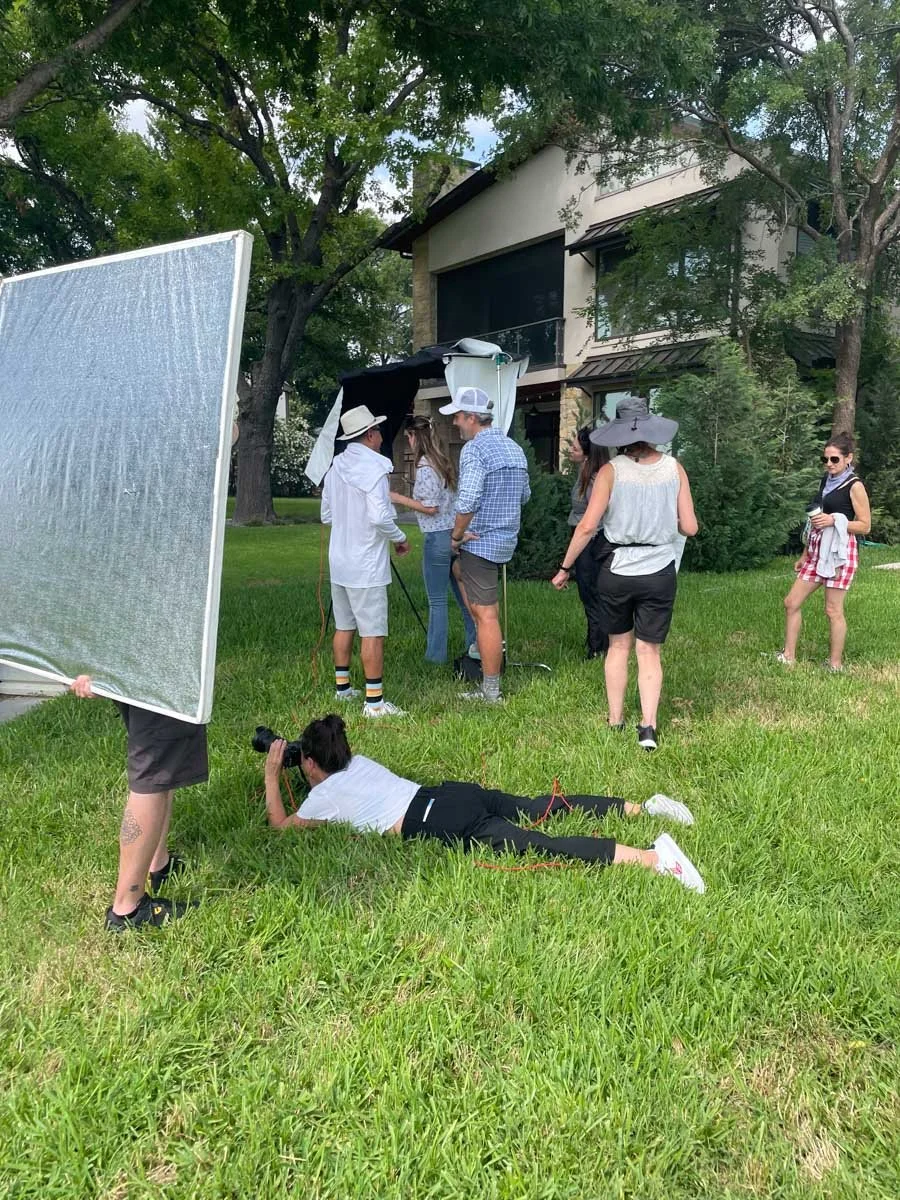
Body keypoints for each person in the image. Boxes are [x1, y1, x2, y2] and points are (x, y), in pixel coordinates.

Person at [262, 714, 705, 892]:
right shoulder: (358, 763)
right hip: (450, 793)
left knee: (538, 844)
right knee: (542, 806)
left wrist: (271, 773)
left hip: (433, 819)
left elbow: (281, 827)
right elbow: (333, 779)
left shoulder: (323, 797)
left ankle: (653, 858)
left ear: (312, 763)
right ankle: (643, 808)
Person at [551, 397, 698, 752]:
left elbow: (587, 527)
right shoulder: (674, 468)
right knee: (650, 652)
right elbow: (690, 527)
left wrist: (565, 568)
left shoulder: (610, 471)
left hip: (616, 569)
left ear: (619, 434)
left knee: (618, 646)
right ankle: (648, 727)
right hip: (659, 570)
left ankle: (615, 720)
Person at [70, 675, 205, 931]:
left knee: (164, 763)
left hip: (147, 664)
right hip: (157, 668)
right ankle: (128, 908)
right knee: (152, 770)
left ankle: (159, 864)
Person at [438, 386, 531, 704]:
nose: (455, 424)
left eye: (459, 418)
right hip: (505, 539)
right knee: (462, 577)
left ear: (472, 417)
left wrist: (456, 536)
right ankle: (482, 651)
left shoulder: (475, 450)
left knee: (486, 616)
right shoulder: (513, 449)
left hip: (481, 542)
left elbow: (468, 500)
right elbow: (525, 496)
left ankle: (490, 691)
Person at [321, 404, 411, 717]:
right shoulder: (375, 467)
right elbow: (380, 515)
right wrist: (399, 538)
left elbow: (326, 514)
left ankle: (343, 689)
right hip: (366, 562)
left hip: (339, 559)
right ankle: (374, 703)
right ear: (370, 435)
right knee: (372, 630)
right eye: (378, 431)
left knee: (344, 625)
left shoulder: (335, 468)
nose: (381, 436)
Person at [777, 434, 871, 671]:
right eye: (825, 459)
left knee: (833, 610)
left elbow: (865, 525)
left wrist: (835, 520)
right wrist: (804, 553)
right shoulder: (825, 481)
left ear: (848, 458)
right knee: (791, 602)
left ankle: (835, 664)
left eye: (834, 459)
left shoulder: (855, 486)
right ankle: (788, 656)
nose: (829, 464)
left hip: (841, 553)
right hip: (817, 549)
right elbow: (815, 521)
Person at [389, 415, 477, 664]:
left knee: (437, 602)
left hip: (437, 539)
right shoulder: (443, 464)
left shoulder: (426, 467)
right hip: (452, 536)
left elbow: (430, 507)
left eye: (408, 437)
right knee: (463, 599)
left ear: (415, 437)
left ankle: (435, 656)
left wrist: (397, 497)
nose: (408, 442)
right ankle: (474, 644)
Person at [567, 426, 610, 659]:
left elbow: (596, 518)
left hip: (592, 541)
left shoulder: (595, 480)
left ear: (587, 452)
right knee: (589, 593)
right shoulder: (585, 472)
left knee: (592, 593)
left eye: (575, 447)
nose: (570, 451)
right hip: (584, 538)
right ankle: (597, 640)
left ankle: (598, 647)